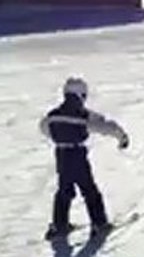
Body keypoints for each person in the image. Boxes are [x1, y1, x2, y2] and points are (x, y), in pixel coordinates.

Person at [39, 77, 129, 239]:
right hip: (77, 155)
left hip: (61, 154)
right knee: (89, 189)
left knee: (64, 190)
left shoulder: (53, 115)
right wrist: (121, 136)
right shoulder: (82, 115)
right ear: (80, 95)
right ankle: (99, 223)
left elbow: (44, 128)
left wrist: (60, 137)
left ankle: (59, 225)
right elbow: (105, 125)